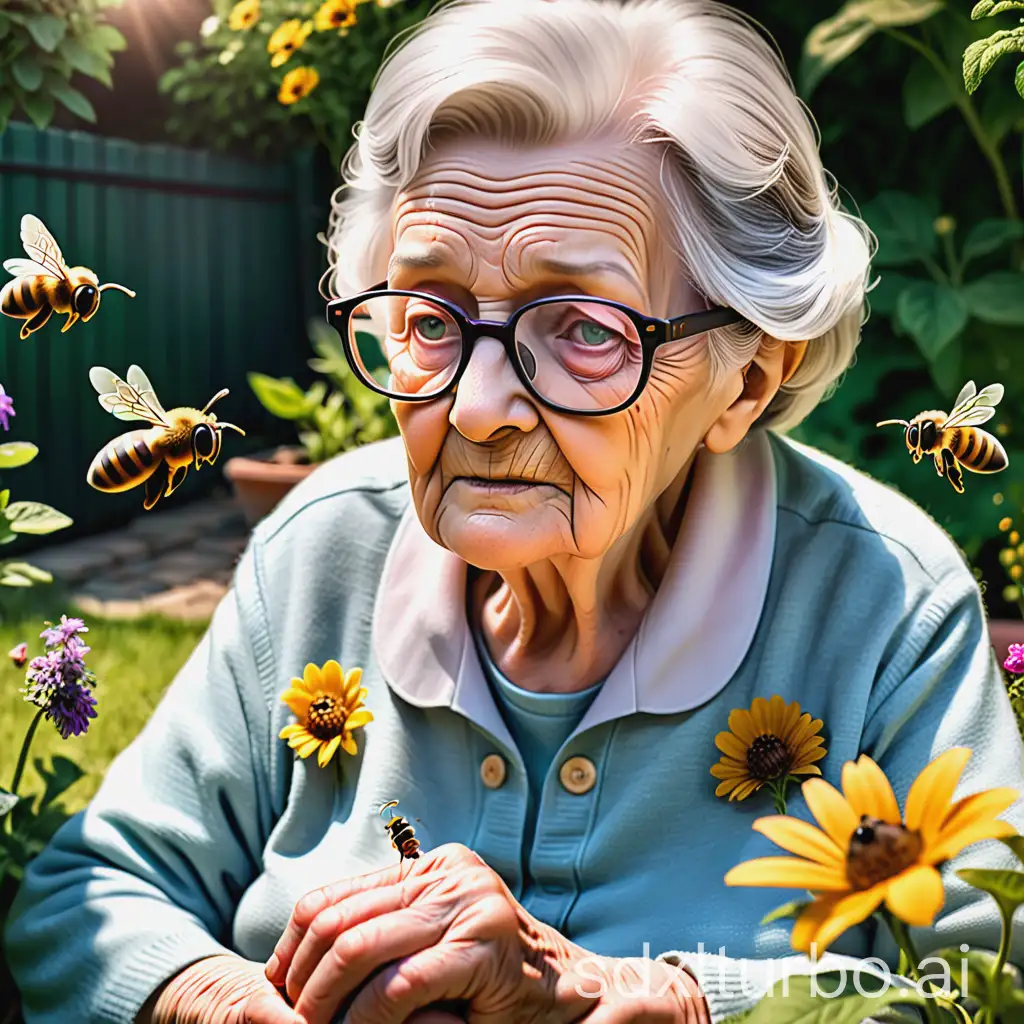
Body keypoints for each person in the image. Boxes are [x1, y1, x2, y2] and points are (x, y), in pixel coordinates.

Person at [6, 0, 1023, 1022]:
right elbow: (85, 896)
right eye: (433, 319)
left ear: (748, 379)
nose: (478, 408)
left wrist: (643, 997)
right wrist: (228, 1007)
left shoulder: (882, 603)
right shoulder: (324, 551)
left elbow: (983, 986)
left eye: (582, 326)